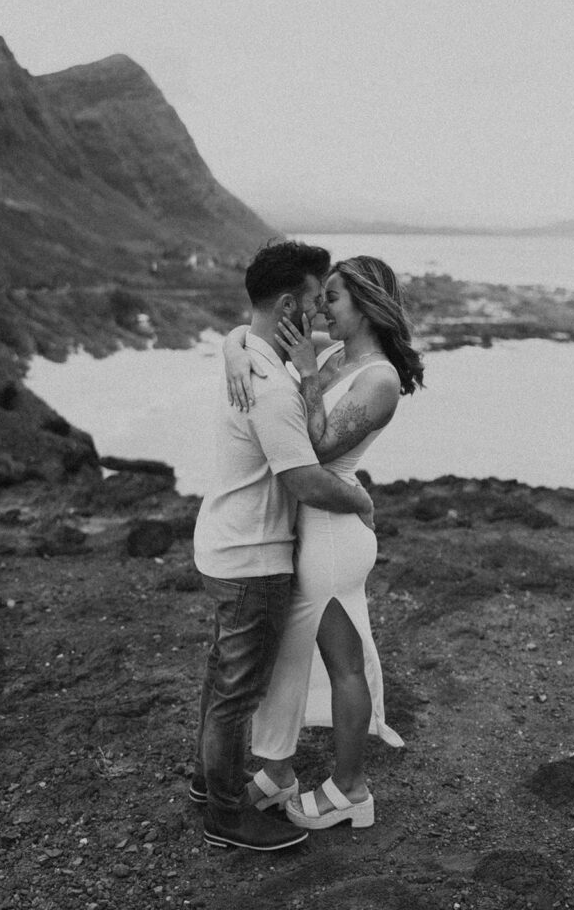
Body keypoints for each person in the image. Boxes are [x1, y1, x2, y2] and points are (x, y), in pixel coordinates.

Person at [223, 254, 424, 830]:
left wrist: (308, 375)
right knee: (291, 652)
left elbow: (319, 450)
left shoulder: (379, 379)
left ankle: (352, 790)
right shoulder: (336, 355)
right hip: (311, 523)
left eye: (332, 298)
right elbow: (255, 335)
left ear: (365, 305)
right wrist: (235, 350)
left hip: (336, 534)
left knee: (344, 663)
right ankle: (278, 769)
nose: (320, 308)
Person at [192, 241, 376, 852]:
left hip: (231, 540)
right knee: (237, 690)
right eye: (318, 298)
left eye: (334, 298)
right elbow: (302, 478)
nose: (323, 311)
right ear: (289, 303)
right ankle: (224, 812)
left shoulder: (257, 359)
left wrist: (233, 343)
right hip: (254, 552)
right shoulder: (267, 382)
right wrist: (361, 501)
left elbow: (263, 338)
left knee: (227, 677)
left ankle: (213, 783)